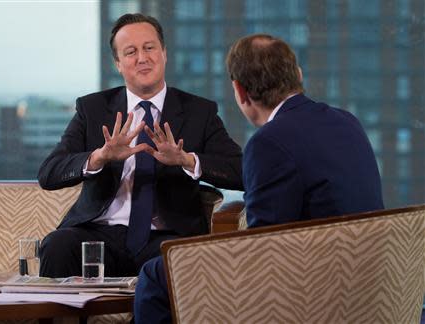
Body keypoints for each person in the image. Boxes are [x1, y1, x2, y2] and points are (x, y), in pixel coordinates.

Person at [133, 34, 384, 323]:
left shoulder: (268, 143)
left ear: (239, 91)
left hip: (311, 287)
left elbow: (263, 252)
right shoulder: (347, 121)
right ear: (297, 75)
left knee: (155, 274)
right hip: (366, 281)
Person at [37, 13, 243, 278]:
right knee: (57, 246)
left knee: (176, 259)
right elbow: (49, 173)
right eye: (131, 52)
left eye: (149, 48)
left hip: (165, 237)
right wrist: (100, 157)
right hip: (98, 234)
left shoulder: (199, 112)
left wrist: (187, 160)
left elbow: (241, 172)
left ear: (164, 53)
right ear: (118, 64)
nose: (142, 58)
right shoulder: (92, 109)